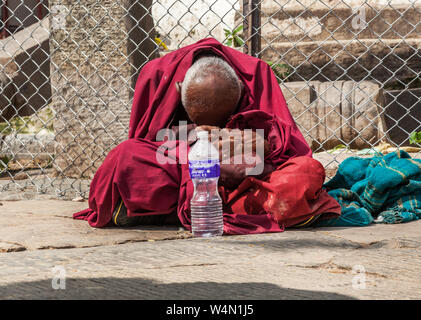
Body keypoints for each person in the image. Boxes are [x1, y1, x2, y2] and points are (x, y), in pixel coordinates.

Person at [74, 38, 341, 234]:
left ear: (239, 89)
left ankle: (163, 213)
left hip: (244, 176)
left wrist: (262, 143)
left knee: (305, 173)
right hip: (183, 166)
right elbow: (146, 141)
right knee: (126, 158)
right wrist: (189, 140)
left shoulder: (257, 74)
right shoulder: (157, 75)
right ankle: (241, 208)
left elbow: (293, 151)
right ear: (180, 92)